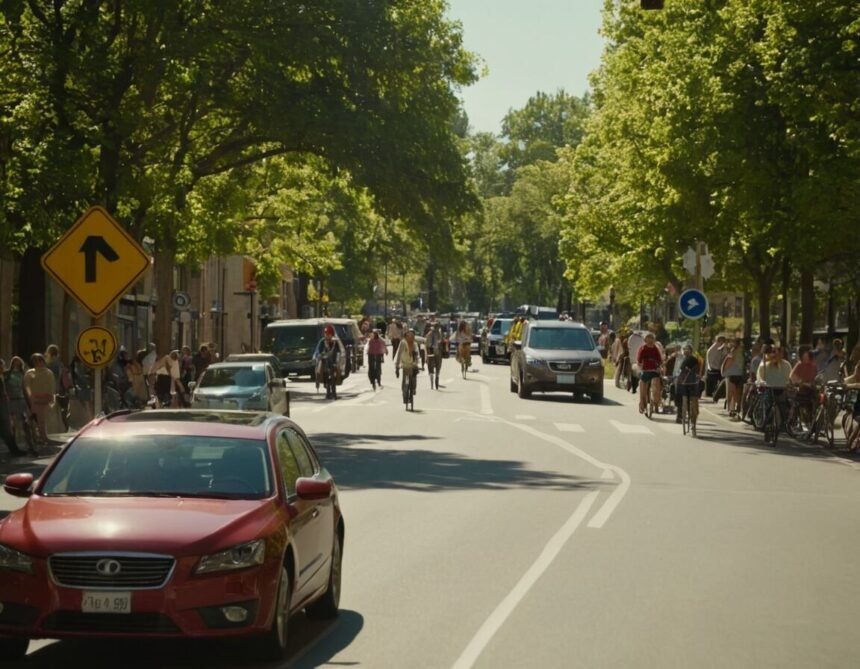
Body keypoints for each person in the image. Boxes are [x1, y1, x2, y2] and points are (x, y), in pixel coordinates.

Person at [23, 353, 55, 447]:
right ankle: (35, 438)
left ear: (42, 361)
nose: (37, 362)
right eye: (35, 360)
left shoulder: (48, 372)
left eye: (39, 360)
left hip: (45, 399)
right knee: (34, 420)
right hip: (34, 400)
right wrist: (31, 397)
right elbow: (27, 386)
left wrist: (50, 396)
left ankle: (44, 437)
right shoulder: (30, 373)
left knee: (42, 420)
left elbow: (52, 385)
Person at [675, 344, 703, 433]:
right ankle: (679, 412)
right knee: (675, 391)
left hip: (692, 384)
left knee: (694, 403)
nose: (686, 351)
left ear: (691, 351)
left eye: (688, 349)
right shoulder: (679, 359)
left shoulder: (695, 360)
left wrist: (699, 376)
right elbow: (676, 372)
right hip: (681, 384)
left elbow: (699, 371)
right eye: (684, 349)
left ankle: (693, 422)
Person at [0, 358, 25, 457]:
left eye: (2, 366)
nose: (2, 369)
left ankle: (15, 451)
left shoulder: (2, 377)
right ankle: (15, 451)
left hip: (4, 408)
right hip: (2, 409)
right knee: (6, 432)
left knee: (7, 433)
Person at [4, 356, 30, 447]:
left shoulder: (23, 374)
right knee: (13, 423)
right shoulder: (7, 374)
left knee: (24, 420)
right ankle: (13, 442)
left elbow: (26, 387)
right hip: (11, 400)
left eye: (18, 362)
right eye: (15, 362)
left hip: (21, 399)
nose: (16, 364)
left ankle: (27, 440)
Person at [314, 325, 343, 399]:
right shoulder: (322, 341)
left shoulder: (335, 342)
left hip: (333, 361)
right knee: (319, 371)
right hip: (324, 361)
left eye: (329, 334)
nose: (327, 336)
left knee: (338, 372)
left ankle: (334, 392)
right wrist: (319, 355)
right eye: (326, 334)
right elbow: (318, 351)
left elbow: (339, 351)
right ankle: (322, 384)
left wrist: (337, 360)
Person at [636, 332, 663, 414]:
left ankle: (656, 403)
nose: (650, 340)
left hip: (654, 370)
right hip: (645, 371)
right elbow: (639, 359)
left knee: (656, 386)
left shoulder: (655, 348)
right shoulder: (642, 348)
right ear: (645, 339)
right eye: (648, 338)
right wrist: (640, 365)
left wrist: (659, 366)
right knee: (642, 387)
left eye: (651, 338)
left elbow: (659, 359)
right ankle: (643, 405)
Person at [393, 329, 421, 403]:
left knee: (414, 377)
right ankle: (405, 394)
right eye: (409, 335)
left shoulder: (414, 344)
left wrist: (417, 363)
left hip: (412, 364)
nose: (410, 337)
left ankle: (413, 390)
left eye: (412, 336)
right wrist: (397, 367)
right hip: (405, 365)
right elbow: (399, 355)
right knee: (405, 381)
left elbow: (417, 355)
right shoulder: (403, 343)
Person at [721, 338, 746, 419]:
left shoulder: (734, 351)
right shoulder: (742, 352)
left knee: (731, 393)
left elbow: (727, 362)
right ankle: (734, 409)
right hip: (737, 374)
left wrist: (724, 372)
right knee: (736, 393)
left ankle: (732, 409)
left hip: (732, 374)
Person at [71, 354, 93, 422]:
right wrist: (88, 377)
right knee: (87, 406)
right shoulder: (77, 365)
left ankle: (88, 419)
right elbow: (80, 376)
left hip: (82, 388)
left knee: (86, 406)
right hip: (82, 388)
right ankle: (89, 420)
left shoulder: (77, 365)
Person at [424, 320, 446, 389]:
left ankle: (432, 377)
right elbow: (442, 342)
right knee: (438, 365)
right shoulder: (439, 334)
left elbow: (426, 344)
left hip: (431, 352)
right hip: (437, 353)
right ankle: (437, 375)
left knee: (430, 366)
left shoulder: (429, 334)